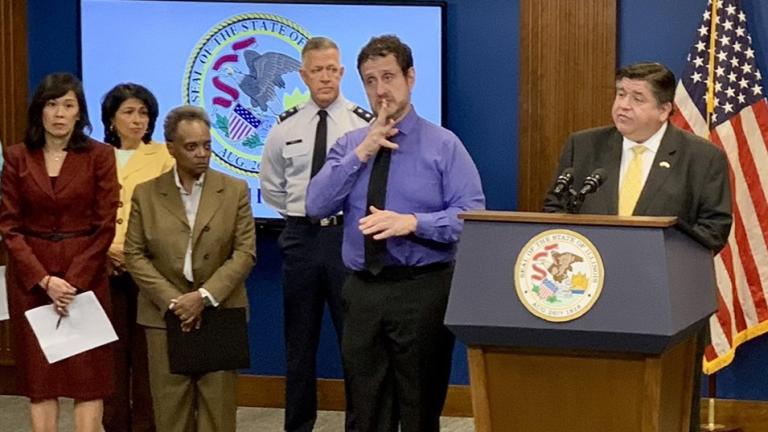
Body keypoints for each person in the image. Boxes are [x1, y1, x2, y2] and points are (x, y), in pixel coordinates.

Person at [306, 35, 485, 432]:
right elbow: (316, 206)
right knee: (365, 408)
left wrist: (413, 222)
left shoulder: (444, 145)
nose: (380, 90)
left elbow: (473, 216)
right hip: (362, 291)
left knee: (419, 408)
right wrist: (361, 153)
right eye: (370, 81)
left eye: (388, 77)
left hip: (421, 290)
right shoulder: (351, 145)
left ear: (410, 77)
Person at [542, 62, 733, 432]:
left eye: (637, 98)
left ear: (664, 111)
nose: (623, 105)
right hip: (587, 302)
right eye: (620, 94)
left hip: (668, 307)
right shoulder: (584, 146)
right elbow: (555, 210)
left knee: (663, 414)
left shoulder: (702, 157)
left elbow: (715, 229)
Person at [260, 36, 372, 432]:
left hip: (346, 239)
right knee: (299, 345)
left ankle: (359, 426)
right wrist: (302, 216)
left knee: (355, 344)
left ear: (342, 72)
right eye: (317, 70)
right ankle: (298, 426)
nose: (325, 77)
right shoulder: (285, 127)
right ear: (304, 74)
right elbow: (272, 186)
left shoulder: (362, 123)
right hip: (301, 240)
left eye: (332, 69)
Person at [124, 105, 255, 432]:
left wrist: (204, 296)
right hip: (165, 317)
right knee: (171, 416)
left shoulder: (234, 189)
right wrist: (176, 301)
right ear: (171, 148)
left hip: (220, 311)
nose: (202, 154)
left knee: (219, 417)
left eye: (207, 145)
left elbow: (245, 252)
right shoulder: (146, 193)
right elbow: (134, 254)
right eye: (191, 147)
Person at [0, 72, 119, 432]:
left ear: (80, 113)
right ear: (39, 110)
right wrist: (45, 280)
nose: (59, 113)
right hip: (31, 283)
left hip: (85, 281)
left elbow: (104, 225)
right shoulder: (18, 156)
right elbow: (9, 226)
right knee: (41, 383)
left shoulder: (100, 155)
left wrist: (73, 281)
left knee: (88, 380)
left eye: (68, 105)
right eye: (52, 105)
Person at [100, 83, 174, 432]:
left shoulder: (164, 157)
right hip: (102, 267)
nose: (137, 119)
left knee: (148, 361)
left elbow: (171, 213)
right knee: (110, 358)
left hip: (148, 269)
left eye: (143, 113)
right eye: (128, 112)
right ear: (111, 119)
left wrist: (135, 254)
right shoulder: (95, 156)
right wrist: (104, 250)